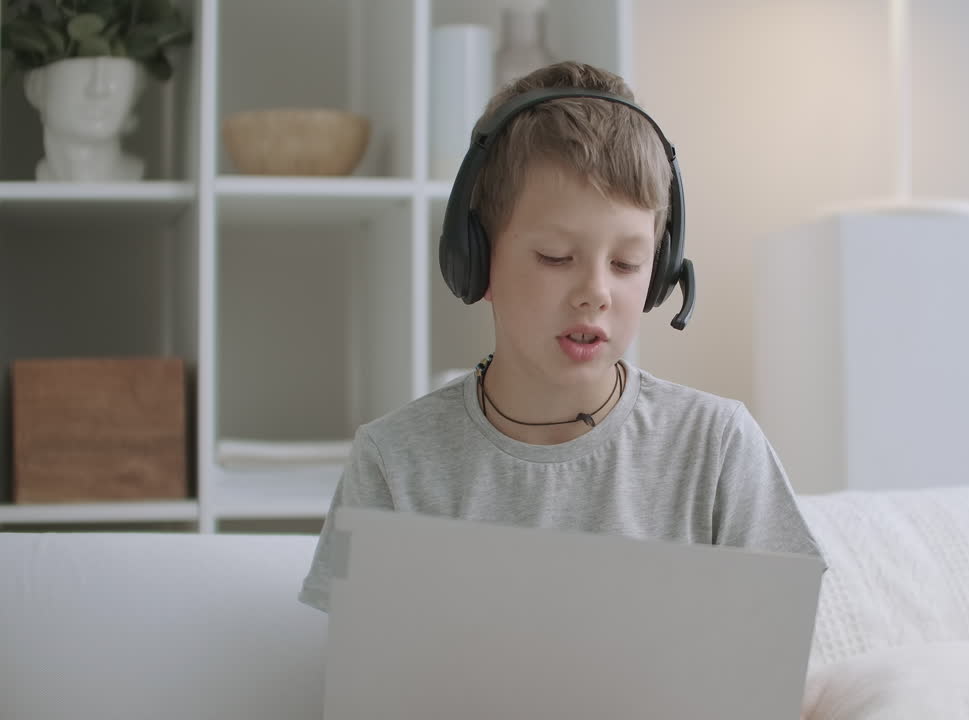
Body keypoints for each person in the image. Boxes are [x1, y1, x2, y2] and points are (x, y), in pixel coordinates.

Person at [299, 61, 823, 613]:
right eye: (555, 257)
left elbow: (777, 672)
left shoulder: (718, 448)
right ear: (474, 260)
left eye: (625, 263)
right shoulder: (395, 462)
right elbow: (369, 684)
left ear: (662, 271)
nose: (595, 292)